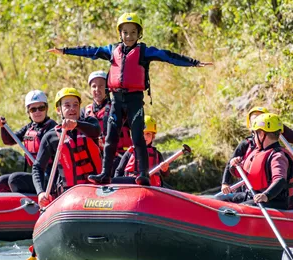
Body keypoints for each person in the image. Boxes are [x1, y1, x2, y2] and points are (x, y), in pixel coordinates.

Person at [47, 12, 213, 186]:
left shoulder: (145, 52)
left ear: (139, 34)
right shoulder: (112, 50)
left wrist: (194, 62)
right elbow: (89, 51)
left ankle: (143, 174)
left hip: (134, 100)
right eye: (125, 32)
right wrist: (65, 50)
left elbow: (168, 56)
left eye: (133, 32)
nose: (129, 36)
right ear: (120, 33)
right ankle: (105, 174)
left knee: (137, 138)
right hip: (117, 100)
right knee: (111, 137)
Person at [32, 87, 102, 208]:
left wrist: (76, 124)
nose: (72, 109)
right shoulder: (51, 136)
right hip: (69, 194)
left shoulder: (90, 123)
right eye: (67, 105)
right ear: (59, 110)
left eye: (75, 105)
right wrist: (40, 192)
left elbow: (96, 131)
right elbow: (37, 167)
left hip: (96, 189)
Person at [217, 113, 293, 210]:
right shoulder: (258, 152)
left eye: (254, 134)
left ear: (262, 134)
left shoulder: (277, 156)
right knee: (218, 199)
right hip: (253, 195)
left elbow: (280, 180)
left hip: (273, 201)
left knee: (239, 208)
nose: (253, 137)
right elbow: (242, 173)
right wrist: (234, 165)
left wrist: (266, 195)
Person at [0, 90, 57, 193]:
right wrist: (3, 127)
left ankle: (30, 205)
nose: (37, 112)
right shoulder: (30, 127)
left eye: (41, 108)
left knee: (14, 179)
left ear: (46, 109)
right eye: (33, 109)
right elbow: (9, 140)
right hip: (37, 175)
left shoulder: (52, 128)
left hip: (50, 178)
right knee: (1, 182)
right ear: (28, 112)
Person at [81, 70, 132, 174]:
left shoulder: (119, 107)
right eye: (94, 86)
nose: (97, 89)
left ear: (108, 88)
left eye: (101, 86)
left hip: (120, 158)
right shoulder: (84, 112)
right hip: (96, 158)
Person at [221, 106, 268, 194]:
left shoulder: (271, 144)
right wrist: (225, 183)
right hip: (245, 186)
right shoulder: (246, 144)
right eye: (254, 120)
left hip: (263, 188)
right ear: (250, 126)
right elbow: (230, 163)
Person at [113, 115, 169, 187]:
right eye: (141, 133)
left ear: (153, 136)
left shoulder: (157, 154)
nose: (144, 137)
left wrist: (165, 169)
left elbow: (165, 174)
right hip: (132, 187)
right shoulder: (129, 153)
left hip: (153, 188)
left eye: (148, 134)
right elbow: (119, 171)